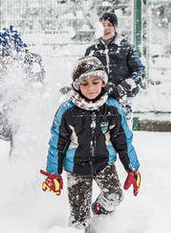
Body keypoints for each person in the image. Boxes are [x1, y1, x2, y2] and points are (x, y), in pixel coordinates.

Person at [40, 56, 141, 229]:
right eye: (84, 83)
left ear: (103, 82)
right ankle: (79, 226)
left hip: (104, 163)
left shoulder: (112, 108)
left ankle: (99, 214)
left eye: (95, 82)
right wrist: (53, 173)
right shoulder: (68, 111)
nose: (91, 88)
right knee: (79, 217)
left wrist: (132, 168)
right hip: (76, 167)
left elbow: (123, 141)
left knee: (114, 196)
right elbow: (57, 143)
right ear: (77, 85)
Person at [0, 25, 45, 156]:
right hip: (0, 114)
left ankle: (20, 165)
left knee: (21, 140)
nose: (1, 58)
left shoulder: (31, 63)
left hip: (24, 111)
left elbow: (38, 88)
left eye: (5, 55)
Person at [84, 12, 146, 117]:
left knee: (122, 130)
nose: (106, 28)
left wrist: (126, 85)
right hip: (100, 99)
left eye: (109, 25)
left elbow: (140, 70)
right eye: (103, 25)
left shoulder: (126, 48)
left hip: (124, 99)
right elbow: (84, 74)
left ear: (115, 27)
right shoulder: (92, 51)